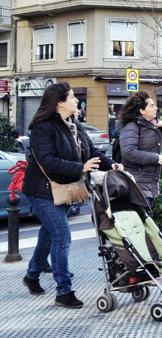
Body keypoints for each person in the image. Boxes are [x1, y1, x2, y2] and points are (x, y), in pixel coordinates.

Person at [21, 82, 123, 308]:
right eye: (72, 98)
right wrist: (80, 168)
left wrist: (112, 164)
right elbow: (47, 160)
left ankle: (32, 275)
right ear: (59, 103)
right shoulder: (42, 128)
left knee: (49, 234)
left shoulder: (74, 124)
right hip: (42, 191)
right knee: (62, 236)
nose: (76, 101)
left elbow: (92, 152)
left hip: (66, 189)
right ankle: (63, 291)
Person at [118, 91, 162, 206]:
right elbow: (128, 152)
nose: (156, 108)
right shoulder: (132, 127)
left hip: (149, 186)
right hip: (136, 186)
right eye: (151, 106)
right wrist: (155, 158)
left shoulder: (154, 126)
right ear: (142, 111)